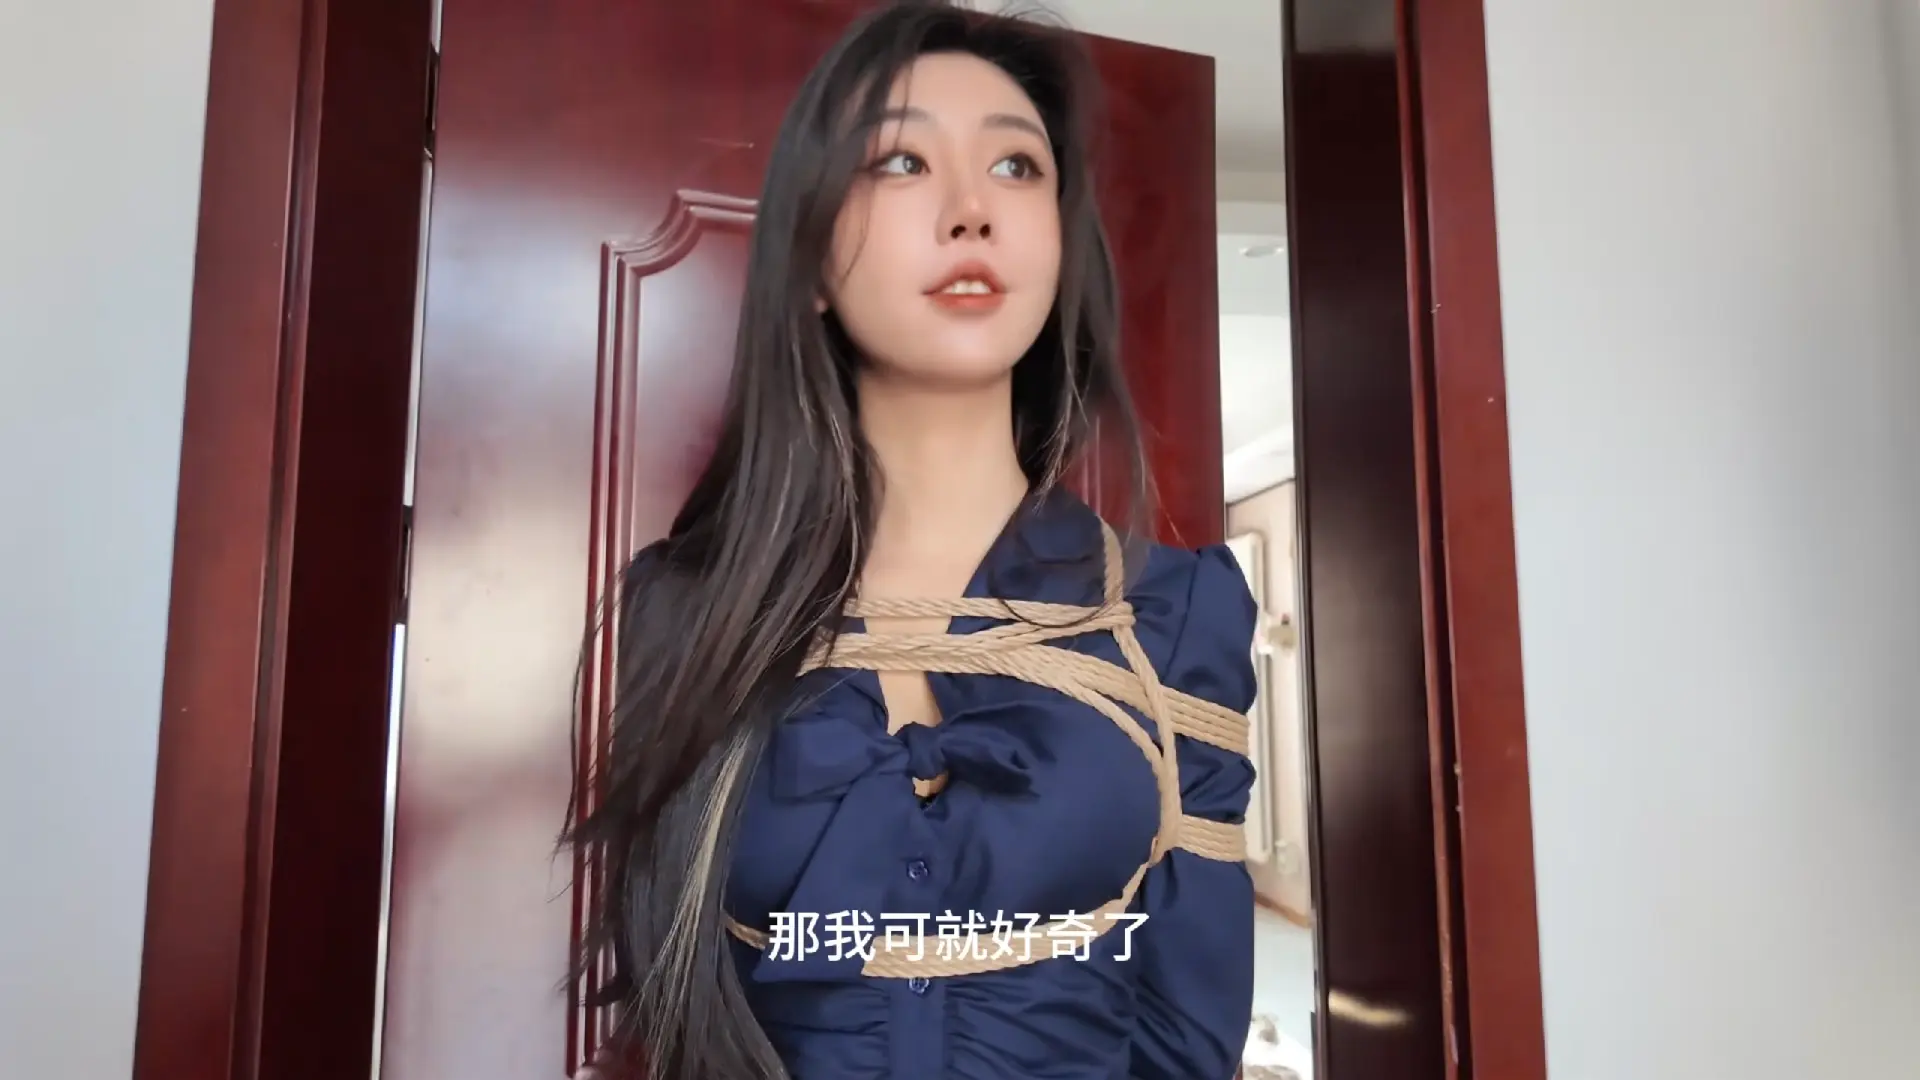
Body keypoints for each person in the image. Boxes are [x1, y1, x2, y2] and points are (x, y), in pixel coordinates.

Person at [565, 2, 1258, 1077]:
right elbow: (676, 993)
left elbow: (1186, 1033)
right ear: (808, 261)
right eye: (900, 161)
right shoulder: (687, 610)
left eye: (1017, 167)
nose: (972, 210)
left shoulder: (1172, 619)